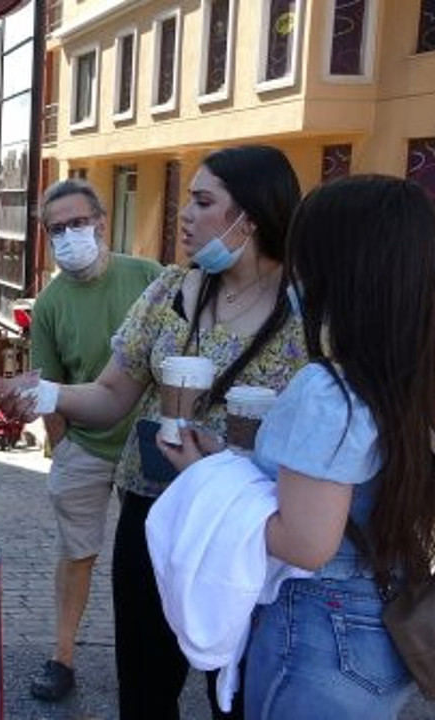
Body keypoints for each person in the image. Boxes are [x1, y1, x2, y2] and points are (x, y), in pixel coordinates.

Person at [1, 145, 306, 718]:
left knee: (236, 694)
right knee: (144, 687)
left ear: (253, 216)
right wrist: (45, 396)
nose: (185, 215)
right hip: (154, 512)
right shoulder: (170, 291)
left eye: (203, 201)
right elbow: (112, 395)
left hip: (245, 530)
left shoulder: (307, 312)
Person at [159, 175, 432, 718]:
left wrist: (204, 478)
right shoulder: (412, 376)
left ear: (338, 272)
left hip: (321, 630)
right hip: (385, 618)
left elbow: (307, 543)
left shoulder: (329, 392)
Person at [26, 179, 162, 701]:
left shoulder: (147, 277)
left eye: (78, 223)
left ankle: (158, 654)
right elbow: (48, 388)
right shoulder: (49, 304)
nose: (69, 235)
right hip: (86, 445)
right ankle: (62, 657)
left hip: (148, 447)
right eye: (57, 229)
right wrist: (63, 450)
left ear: (101, 223)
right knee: (76, 554)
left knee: (150, 556)